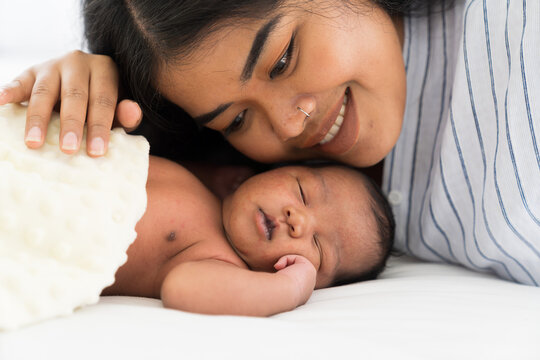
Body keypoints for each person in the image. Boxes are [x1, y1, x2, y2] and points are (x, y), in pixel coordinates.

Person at [0, 0, 538, 285]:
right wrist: (79, 105)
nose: (287, 126)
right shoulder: (238, 200)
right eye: (235, 120)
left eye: (282, 58)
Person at [102, 156, 395, 316]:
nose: (299, 221)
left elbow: (180, 289)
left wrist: (288, 289)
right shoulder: (208, 182)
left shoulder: (217, 259)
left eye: (317, 245)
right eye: (303, 192)